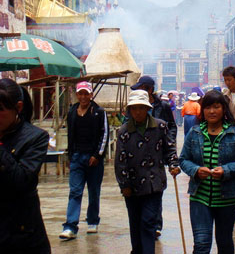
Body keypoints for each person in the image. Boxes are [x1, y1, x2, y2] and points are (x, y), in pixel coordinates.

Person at [179, 89, 235, 254]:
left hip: (227, 199)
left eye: (216, 107)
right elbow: (183, 159)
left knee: (225, 242)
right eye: (208, 107)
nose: (212, 111)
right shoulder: (195, 133)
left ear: (223, 109)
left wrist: (226, 170)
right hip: (200, 198)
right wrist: (196, 170)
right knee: (201, 244)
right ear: (202, 110)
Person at [115, 90, 180, 254]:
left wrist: (173, 164)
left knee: (148, 221)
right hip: (132, 185)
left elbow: (169, 149)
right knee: (135, 223)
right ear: (130, 110)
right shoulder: (123, 132)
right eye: (134, 108)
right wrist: (124, 184)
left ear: (147, 109)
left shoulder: (160, 126)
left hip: (154, 184)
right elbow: (120, 161)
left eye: (141, 108)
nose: (138, 112)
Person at [0, 78, 51, 254]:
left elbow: (22, 181)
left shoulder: (36, 138)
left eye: (1, 110)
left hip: (22, 234)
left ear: (18, 108)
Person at [60, 81, 109, 239]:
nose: (83, 97)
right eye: (80, 93)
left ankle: (92, 220)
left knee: (94, 191)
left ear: (91, 95)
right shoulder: (72, 111)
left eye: (85, 93)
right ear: (77, 95)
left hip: (93, 158)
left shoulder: (99, 112)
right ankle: (71, 226)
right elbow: (70, 135)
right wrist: (70, 155)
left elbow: (104, 135)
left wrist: (97, 155)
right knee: (75, 191)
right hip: (77, 157)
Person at [131, 76, 178, 237]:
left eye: (141, 88)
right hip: (138, 155)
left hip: (157, 153)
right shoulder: (133, 107)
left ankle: (155, 224)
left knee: (156, 188)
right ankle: (145, 223)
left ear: (149, 89)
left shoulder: (162, 106)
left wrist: (168, 143)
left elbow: (171, 126)